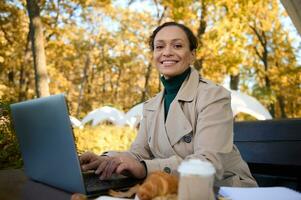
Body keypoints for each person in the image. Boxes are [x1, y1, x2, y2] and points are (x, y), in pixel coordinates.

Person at [80, 22, 258, 187]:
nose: (166, 52)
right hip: (173, 188)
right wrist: (105, 159)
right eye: (159, 47)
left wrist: (145, 168)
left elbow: (209, 165)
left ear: (192, 55)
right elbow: (137, 154)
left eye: (177, 45)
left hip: (226, 189)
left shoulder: (214, 96)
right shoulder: (151, 105)